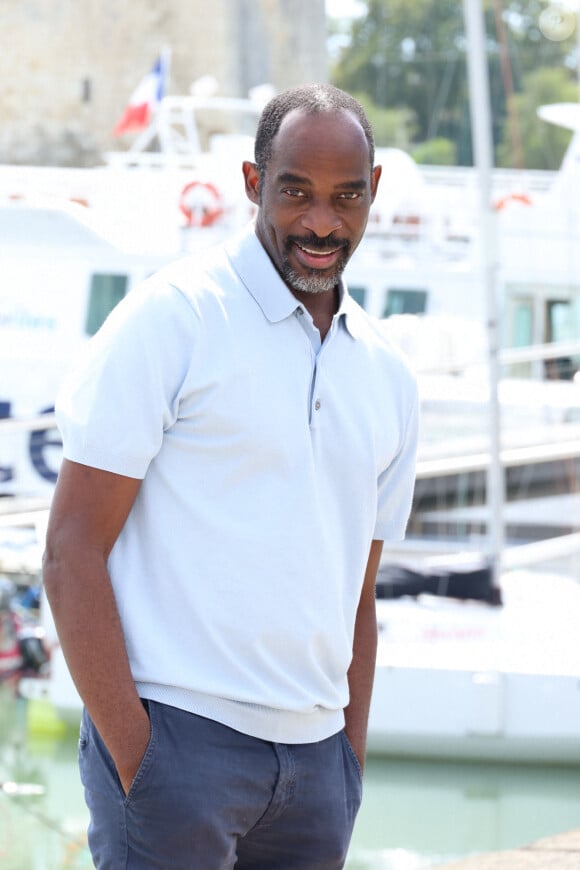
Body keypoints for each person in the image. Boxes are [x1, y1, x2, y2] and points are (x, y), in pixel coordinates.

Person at [43, 83, 418, 869]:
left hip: (317, 767)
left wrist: (346, 760)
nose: (322, 222)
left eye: (346, 196)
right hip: (178, 745)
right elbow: (71, 548)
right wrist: (139, 756)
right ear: (254, 184)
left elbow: (359, 589)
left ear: (373, 191)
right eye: (296, 193)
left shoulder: (386, 373)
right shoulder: (174, 318)